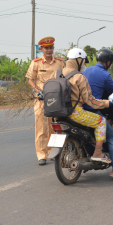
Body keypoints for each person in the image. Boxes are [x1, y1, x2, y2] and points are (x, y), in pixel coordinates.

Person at [51, 48, 113, 164]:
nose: (84, 64)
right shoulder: (80, 77)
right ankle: (98, 153)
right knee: (101, 121)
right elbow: (90, 101)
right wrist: (107, 103)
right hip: (74, 113)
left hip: (56, 112)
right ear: (78, 60)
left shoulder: (56, 73)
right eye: (84, 61)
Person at [82, 48, 113, 180]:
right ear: (108, 62)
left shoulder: (86, 70)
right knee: (112, 137)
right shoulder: (105, 75)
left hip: (79, 108)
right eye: (111, 62)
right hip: (93, 109)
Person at [25, 36, 64, 165]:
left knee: (54, 127)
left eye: (51, 47)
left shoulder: (59, 62)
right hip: (41, 100)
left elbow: (63, 77)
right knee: (41, 128)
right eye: (46, 48)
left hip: (56, 100)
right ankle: (41, 155)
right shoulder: (36, 63)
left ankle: (53, 151)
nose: (49, 50)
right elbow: (30, 79)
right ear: (41, 48)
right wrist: (37, 90)